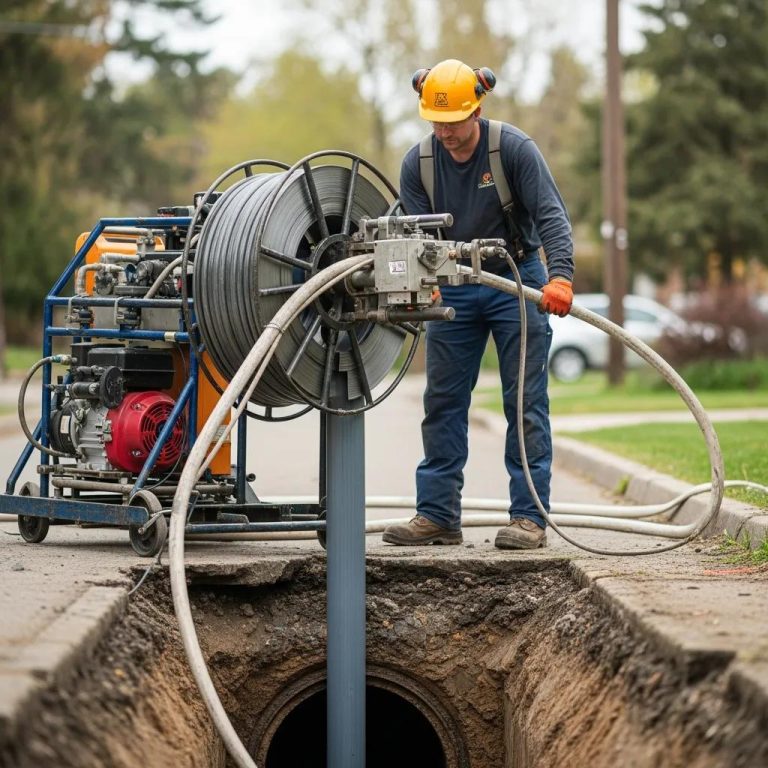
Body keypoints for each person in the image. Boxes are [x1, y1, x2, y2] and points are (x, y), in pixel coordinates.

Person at [382, 58, 574, 550]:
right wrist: (424, 287)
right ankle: (438, 515)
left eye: (453, 121)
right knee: (442, 401)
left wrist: (561, 277)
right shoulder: (418, 163)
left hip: (516, 276)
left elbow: (551, 214)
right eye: (435, 121)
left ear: (478, 105)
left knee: (524, 402)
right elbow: (415, 237)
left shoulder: (513, 149)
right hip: (454, 284)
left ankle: (529, 517)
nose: (445, 132)